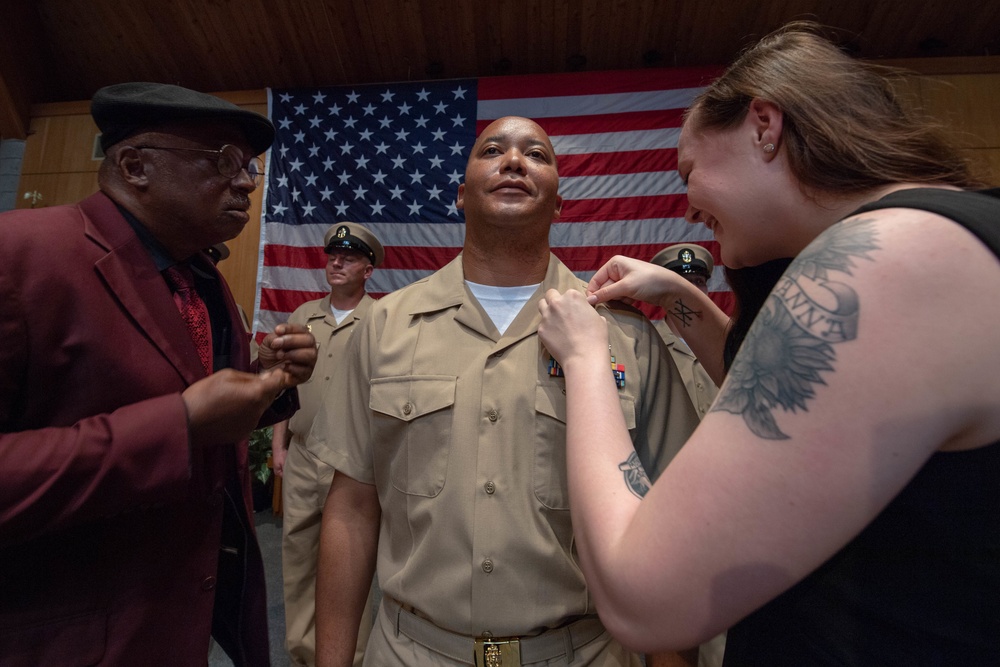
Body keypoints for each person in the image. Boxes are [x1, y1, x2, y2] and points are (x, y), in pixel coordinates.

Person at [536, 22, 1000, 666]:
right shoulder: (943, 233)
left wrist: (587, 359)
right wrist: (680, 295)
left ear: (763, 126)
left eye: (690, 170)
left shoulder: (885, 259)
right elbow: (795, 403)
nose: (689, 201)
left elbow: (643, 601)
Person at [310, 116, 700, 667]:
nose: (514, 161)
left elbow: (672, 522)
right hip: (410, 651)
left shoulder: (623, 334)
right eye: (492, 149)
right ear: (462, 195)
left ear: (560, 204)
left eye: (536, 155)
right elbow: (350, 509)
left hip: (580, 652)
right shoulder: (386, 326)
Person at [0, 82, 318, 665]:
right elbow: (180, 417)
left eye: (251, 167)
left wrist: (262, 382)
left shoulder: (199, 277)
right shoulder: (20, 255)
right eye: (223, 161)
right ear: (134, 165)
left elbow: (171, 389)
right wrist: (178, 425)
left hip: (167, 626)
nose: (248, 182)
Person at [272, 222, 384, 666]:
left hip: (354, 464)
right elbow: (284, 386)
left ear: (368, 270)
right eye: (333, 256)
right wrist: (279, 445)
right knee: (298, 556)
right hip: (302, 455)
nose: (337, 263)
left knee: (351, 565)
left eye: (350, 257)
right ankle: (303, 651)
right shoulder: (303, 317)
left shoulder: (381, 320)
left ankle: (350, 657)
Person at [649, 243, 720, 419]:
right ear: (663, 291)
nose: (692, 290)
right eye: (682, 283)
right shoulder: (648, 345)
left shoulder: (727, 343)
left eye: (698, 282)